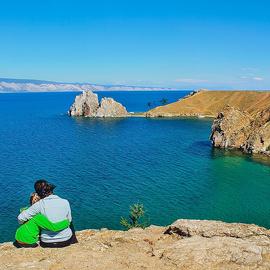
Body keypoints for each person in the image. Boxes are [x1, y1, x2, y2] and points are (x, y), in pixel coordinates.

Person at [17, 179, 77, 248]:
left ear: (38, 194)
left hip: (47, 242)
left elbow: (20, 218)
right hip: (66, 240)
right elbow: (69, 220)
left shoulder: (39, 205)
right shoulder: (65, 202)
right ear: (51, 190)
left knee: (35, 218)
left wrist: (26, 222)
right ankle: (74, 240)